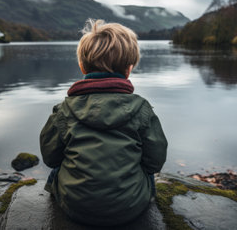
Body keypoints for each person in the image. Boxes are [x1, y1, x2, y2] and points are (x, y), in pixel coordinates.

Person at [40, 19, 167, 226]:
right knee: (147, 173)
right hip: (130, 209)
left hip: (75, 209)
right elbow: (155, 162)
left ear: (82, 66)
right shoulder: (142, 109)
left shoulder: (64, 110)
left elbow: (50, 158)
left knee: (58, 169)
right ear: (129, 69)